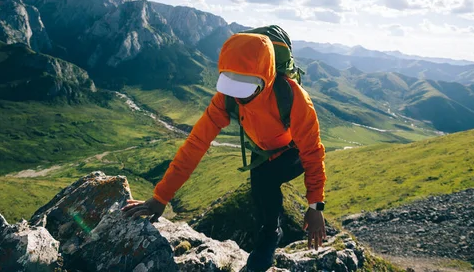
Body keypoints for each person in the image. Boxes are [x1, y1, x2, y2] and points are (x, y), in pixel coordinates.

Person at [122, 32, 327, 271]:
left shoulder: (295, 99)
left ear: (267, 78)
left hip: (294, 152)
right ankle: (269, 234)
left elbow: (312, 153)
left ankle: (268, 240)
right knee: (260, 195)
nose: (238, 96)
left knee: (264, 180)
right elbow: (195, 144)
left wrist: (315, 207)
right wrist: (160, 198)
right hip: (263, 151)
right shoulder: (226, 98)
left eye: (245, 89)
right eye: (232, 86)